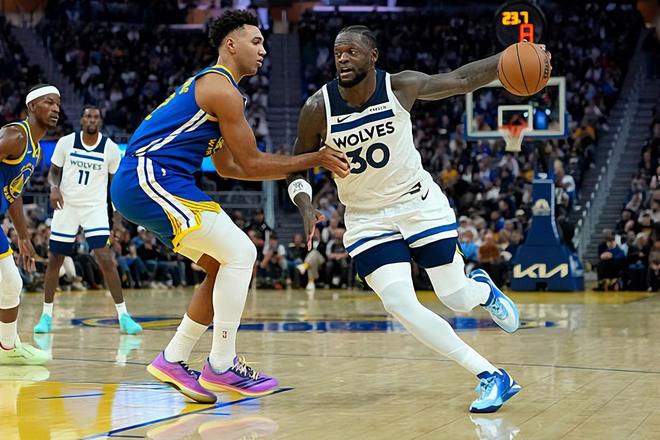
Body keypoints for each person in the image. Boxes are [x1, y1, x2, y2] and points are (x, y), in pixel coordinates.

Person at [286, 26, 552, 413]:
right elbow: (298, 163)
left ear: (373, 56)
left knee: (455, 298)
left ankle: (482, 290)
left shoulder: (400, 87)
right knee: (399, 304)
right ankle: (491, 375)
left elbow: (460, 80)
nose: (342, 58)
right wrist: (305, 203)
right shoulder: (318, 107)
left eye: (352, 51)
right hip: (366, 218)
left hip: (418, 203)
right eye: (338, 52)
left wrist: (509, 56)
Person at [110, 10, 349, 403]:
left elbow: (231, 168)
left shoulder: (219, 92)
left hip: (150, 182)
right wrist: (315, 158)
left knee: (222, 265)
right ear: (231, 44)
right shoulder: (220, 89)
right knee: (243, 251)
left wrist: (299, 177)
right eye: (256, 42)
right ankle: (221, 364)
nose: (264, 50)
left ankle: (174, 359)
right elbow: (251, 163)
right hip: (149, 177)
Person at [33, 106, 142, 335]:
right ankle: (46, 315)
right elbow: (54, 171)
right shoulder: (66, 142)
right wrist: (54, 188)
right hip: (67, 206)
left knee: (106, 259)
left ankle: (124, 316)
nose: (92, 120)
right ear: (81, 120)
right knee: (55, 260)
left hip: (95, 208)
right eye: (88, 116)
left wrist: (117, 219)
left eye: (96, 117)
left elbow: (115, 185)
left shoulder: (110, 149)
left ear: (100, 122)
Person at [0, 84, 61, 365]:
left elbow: (13, 192)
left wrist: (23, 237)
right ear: (31, 107)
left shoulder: (35, 151)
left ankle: (7, 348)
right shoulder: (16, 135)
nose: (56, 108)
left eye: (58, 104)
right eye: (49, 102)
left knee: (11, 283)